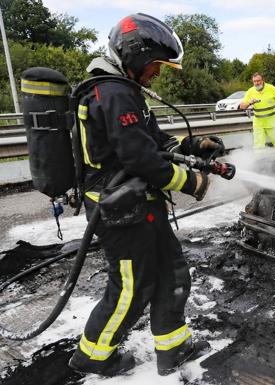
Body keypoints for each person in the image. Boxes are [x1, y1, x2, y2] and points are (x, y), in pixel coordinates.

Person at [68, 13, 219, 377]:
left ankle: (173, 348)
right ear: (135, 56)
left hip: (139, 202)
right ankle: (93, 355)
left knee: (171, 271)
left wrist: (193, 146)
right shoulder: (112, 92)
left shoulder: (124, 90)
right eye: (155, 65)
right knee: (131, 286)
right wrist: (190, 183)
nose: (158, 73)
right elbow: (140, 158)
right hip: (117, 208)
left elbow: (154, 143)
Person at [239, 73, 275, 150]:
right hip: (259, 124)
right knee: (258, 147)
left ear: (263, 80)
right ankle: (259, 161)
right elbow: (242, 106)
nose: (257, 83)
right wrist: (249, 103)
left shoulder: (271, 88)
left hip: (273, 123)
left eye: (258, 81)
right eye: (254, 81)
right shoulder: (250, 91)